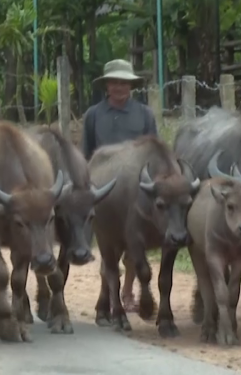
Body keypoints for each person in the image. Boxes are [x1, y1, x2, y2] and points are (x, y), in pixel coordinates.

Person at [81, 59, 158, 312]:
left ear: (131, 86)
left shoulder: (145, 114)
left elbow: (153, 151)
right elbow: (88, 153)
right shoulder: (94, 114)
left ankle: (127, 292)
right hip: (104, 183)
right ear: (106, 86)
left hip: (136, 185)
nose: (119, 87)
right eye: (114, 82)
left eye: (124, 82)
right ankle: (109, 292)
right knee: (108, 244)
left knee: (134, 242)